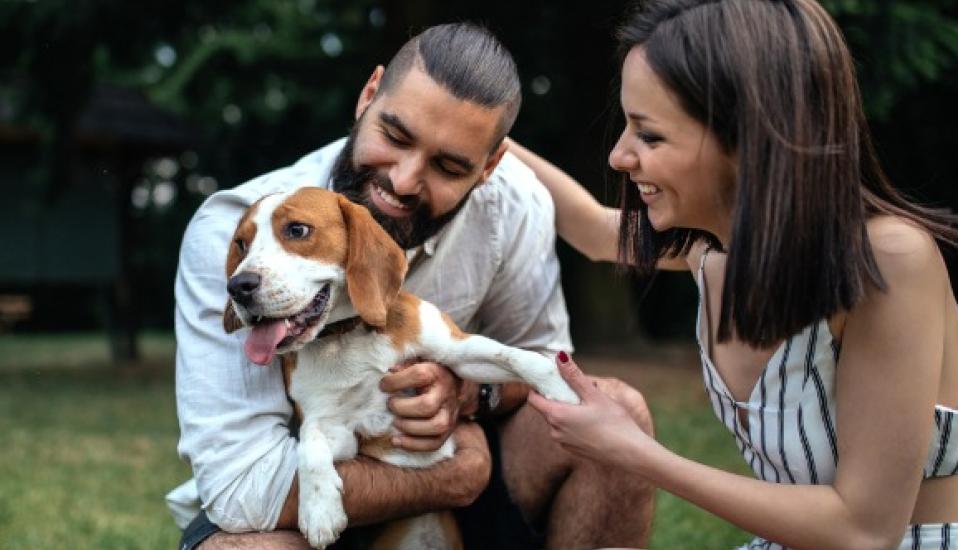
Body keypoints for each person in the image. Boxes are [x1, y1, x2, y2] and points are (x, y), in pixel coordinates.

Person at [166, 22, 655, 550]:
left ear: (489, 165)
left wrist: (471, 393)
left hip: (456, 479)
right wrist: (455, 475)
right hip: (302, 505)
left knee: (616, 411)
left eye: (448, 166)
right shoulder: (234, 229)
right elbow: (243, 491)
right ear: (368, 96)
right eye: (395, 137)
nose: (402, 181)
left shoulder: (514, 204)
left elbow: (544, 360)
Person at [514, 1, 958, 548]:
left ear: (747, 139)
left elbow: (865, 529)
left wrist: (633, 451)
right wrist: (473, 131)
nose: (619, 156)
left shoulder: (888, 262)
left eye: (650, 136)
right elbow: (592, 230)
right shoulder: (712, 252)